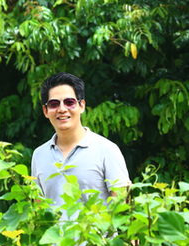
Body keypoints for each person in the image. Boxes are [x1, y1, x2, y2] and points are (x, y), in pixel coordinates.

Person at [31, 72, 130, 221]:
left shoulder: (107, 150)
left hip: (99, 243)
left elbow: (124, 211)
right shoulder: (39, 155)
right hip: (52, 244)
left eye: (69, 102)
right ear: (45, 111)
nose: (62, 109)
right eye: (54, 104)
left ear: (81, 106)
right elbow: (38, 212)